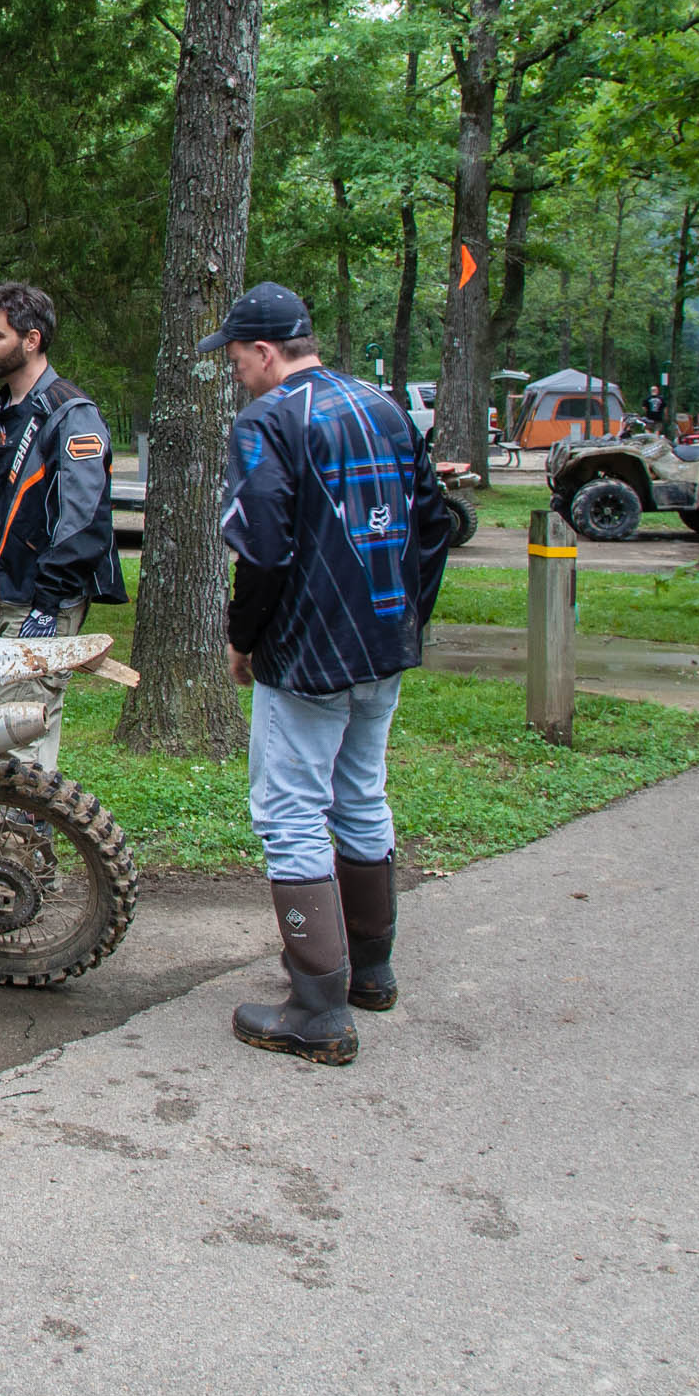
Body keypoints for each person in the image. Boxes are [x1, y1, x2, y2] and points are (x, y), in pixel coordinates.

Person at [203, 281, 452, 1065]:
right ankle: (370, 973)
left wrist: (244, 638)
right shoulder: (383, 407)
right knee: (361, 795)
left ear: (267, 352)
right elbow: (436, 521)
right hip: (386, 640)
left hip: (311, 651)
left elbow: (264, 548)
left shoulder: (268, 421)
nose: (236, 373)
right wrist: (408, 615)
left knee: (290, 813)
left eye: (238, 359)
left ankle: (317, 1006)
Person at [0, 281, 126, 770]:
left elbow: (85, 524)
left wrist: (49, 605)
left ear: (31, 340)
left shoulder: (72, 415)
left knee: (21, 747)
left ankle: (25, 845)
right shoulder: (2, 412)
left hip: (37, 606)